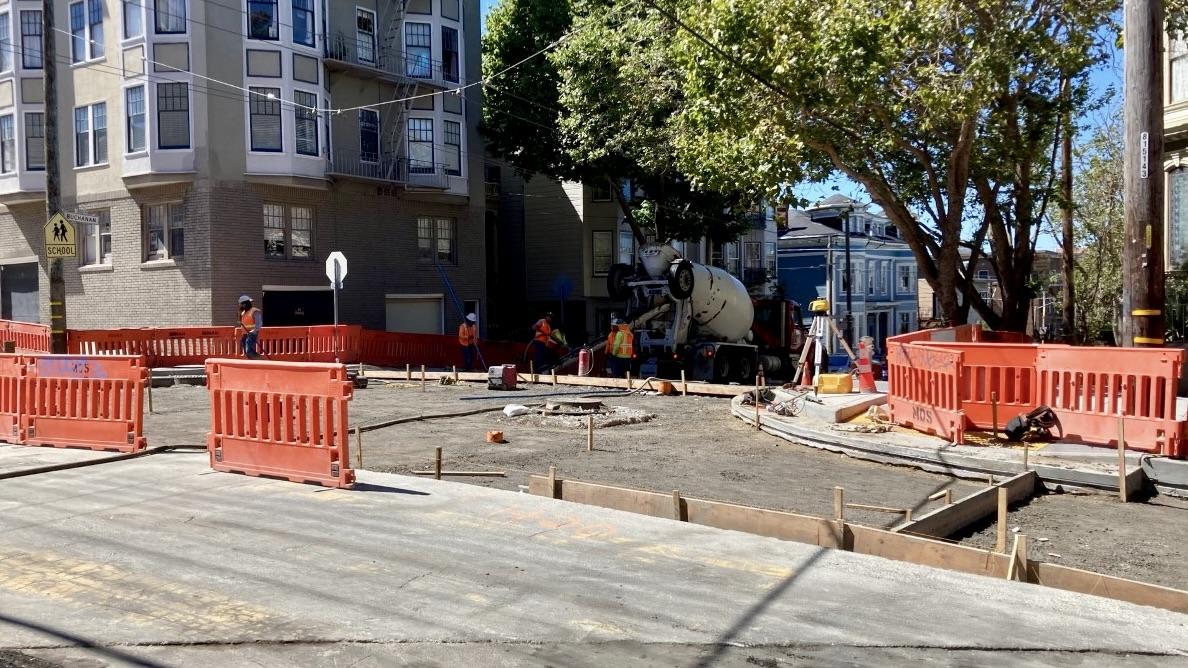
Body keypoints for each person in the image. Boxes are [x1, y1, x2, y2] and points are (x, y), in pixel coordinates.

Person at [238, 295, 263, 359]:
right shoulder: (243, 313)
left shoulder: (255, 311)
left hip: (252, 333)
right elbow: (242, 323)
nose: (242, 305)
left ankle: (260, 361)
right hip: (245, 333)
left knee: (249, 351)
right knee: (247, 352)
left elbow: (259, 323)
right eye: (241, 304)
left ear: (246, 303)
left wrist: (253, 331)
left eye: (243, 304)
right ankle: (253, 363)